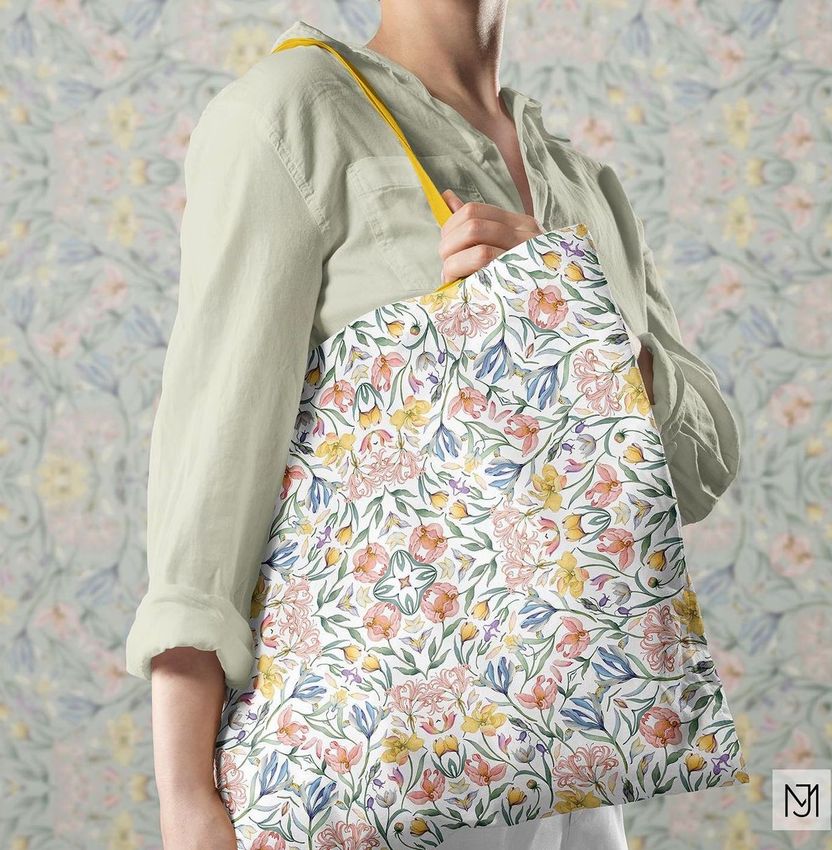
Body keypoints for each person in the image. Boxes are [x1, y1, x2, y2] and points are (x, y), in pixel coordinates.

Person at [124, 3, 741, 849]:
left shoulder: (580, 178)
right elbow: (210, 474)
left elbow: (698, 470)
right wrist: (186, 800)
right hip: (370, 762)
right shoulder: (290, 113)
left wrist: (578, 316)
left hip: (573, 763)